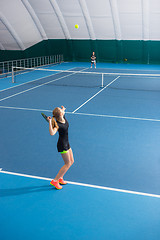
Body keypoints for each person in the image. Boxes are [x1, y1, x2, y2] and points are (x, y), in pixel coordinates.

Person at [47, 106, 74, 190]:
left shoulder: (63, 117)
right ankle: (55, 181)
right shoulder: (57, 124)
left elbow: (62, 112)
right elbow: (52, 133)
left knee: (72, 161)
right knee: (67, 163)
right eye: (61, 110)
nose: (62, 111)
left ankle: (60, 178)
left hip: (67, 143)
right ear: (60, 114)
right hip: (62, 145)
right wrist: (50, 122)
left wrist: (63, 109)